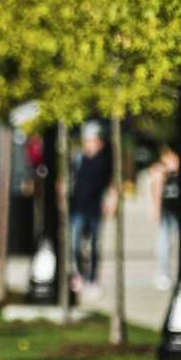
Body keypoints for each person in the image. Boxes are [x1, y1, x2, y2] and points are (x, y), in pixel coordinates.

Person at [67, 122, 113, 291]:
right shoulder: (78, 159)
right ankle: (79, 274)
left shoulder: (105, 160)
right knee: (75, 244)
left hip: (95, 208)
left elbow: (111, 184)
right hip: (78, 207)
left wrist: (110, 202)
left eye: (92, 140)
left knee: (94, 245)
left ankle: (93, 279)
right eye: (87, 140)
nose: (89, 143)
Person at [148, 146, 181, 291]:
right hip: (166, 212)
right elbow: (156, 192)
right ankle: (163, 273)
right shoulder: (160, 172)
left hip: (179, 212)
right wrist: (155, 209)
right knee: (165, 242)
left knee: (180, 243)